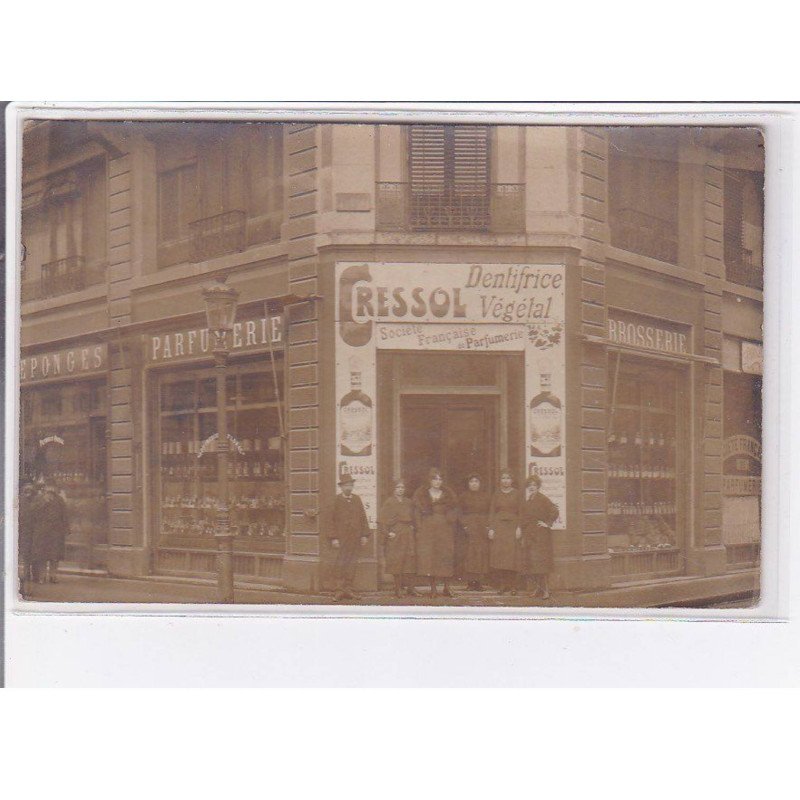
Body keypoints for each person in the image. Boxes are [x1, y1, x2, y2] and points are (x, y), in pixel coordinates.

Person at [412, 468, 459, 598]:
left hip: (444, 528)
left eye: (440, 479)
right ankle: (433, 589)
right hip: (428, 529)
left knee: (445, 556)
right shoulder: (422, 495)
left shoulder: (448, 494)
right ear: (430, 480)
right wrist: (420, 528)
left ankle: (446, 587)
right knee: (430, 557)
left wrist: (450, 519)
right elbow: (416, 513)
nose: (437, 481)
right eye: (435, 478)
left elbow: (454, 510)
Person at [329, 474, 370, 602]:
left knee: (352, 563)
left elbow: (363, 517)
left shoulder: (357, 499)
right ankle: (339, 590)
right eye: (346, 485)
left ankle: (348, 589)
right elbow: (331, 520)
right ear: (341, 487)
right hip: (341, 539)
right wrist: (334, 538)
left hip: (355, 538)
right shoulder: (336, 500)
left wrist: (364, 535)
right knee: (340, 563)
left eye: (350, 485)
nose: (349, 487)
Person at [519, 473, 559, 600]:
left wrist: (547, 523)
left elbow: (554, 510)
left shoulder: (542, 499)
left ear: (538, 486)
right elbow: (524, 518)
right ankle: (538, 589)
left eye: (534, 485)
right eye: (530, 485)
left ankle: (546, 591)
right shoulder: (528, 500)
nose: (532, 487)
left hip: (541, 537)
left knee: (542, 565)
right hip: (530, 536)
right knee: (533, 565)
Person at [378, 478, 419, 598]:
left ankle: (411, 588)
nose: (400, 490)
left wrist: (412, 526)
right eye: (398, 488)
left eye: (402, 488)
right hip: (396, 534)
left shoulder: (408, 502)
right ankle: (397, 589)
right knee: (397, 561)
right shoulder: (389, 502)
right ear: (394, 489)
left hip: (407, 534)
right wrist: (388, 533)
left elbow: (413, 516)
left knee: (410, 560)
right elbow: (382, 520)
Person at [488, 468, 523, 595]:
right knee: (501, 557)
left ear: (512, 480)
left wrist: (519, 527)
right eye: (503, 478)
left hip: (512, 527)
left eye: (508, 478)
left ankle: (513, 585)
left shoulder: (517, 493)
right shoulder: (496, 493)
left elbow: (521, 511)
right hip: (499, 527)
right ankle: (503, 585)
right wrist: (491, 528)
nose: (506, 481)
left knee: (512, 557)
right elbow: (492, 511)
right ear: (500, 480)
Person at [458, 473, 491, 590]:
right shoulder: (463, 496)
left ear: (480, 483)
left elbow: (489, 512)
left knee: (480, 554)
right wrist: (465, 525)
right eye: (471, 481)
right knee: (469, 554)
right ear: (468, 483)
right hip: (469, 526)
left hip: (481, 526)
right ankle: (470, 582)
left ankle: (479, 582)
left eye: (476, 481)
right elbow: (459, 512)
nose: (474, 484)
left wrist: (487, 525)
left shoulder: (486, 496)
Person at [40, 481, 70, 583]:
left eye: (52, 488)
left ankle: (53, 576)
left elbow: (65, 515)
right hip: (43, 531)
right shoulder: (41, 500)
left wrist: (66, 528)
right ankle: (42, 577)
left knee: (54, 556)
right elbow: (35, 514)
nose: (50, 490)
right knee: (43, 555)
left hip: (56, 532)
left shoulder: (60, 500)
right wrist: (44, 502)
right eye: (48, 488)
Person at [18, 481, 38, 596]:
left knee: (29, 560)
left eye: (30, 491)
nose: (28, 493)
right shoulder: (20, 502)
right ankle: (23, 587)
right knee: (23, 561)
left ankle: (27, 587)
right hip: (21, 535)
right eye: (26, 491)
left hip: (32, 536)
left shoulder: (36, 503)